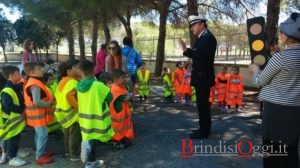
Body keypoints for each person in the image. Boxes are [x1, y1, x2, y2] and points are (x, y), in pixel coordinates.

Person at [249, 12, 300, 168]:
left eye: (281, 32)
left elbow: (261, 81)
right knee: (291, 150)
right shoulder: (283, 57)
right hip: (296, 110)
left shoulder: (281, 58)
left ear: (285, 35)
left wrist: (256, 70)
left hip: (277, 112)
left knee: (273, 154)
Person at [178, 15, 217, 139]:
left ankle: (204, 131)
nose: (192, 29)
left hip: (203, 77)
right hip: (200, 77)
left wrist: (185, 49)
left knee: (203, 105)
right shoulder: (202, 38)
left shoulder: (208, 38)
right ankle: (203, 128)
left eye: (193, 25)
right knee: (201, 105)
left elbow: (202, 55)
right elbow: (197, 55)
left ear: (201, 24)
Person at [77, 60, 114, 168]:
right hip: (98, 119)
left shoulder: (79, 85)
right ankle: (88, 146)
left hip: (84, 119)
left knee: (89, 138)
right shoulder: (97, 85)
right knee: (99, 138)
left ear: (80, 72)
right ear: (94, 71)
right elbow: (110, 97)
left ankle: (91, 163)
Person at [23, 62, 55, 165]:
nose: (42, 70)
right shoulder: (34, 85)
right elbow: (37, 102)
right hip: (38, 116)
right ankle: (39, 156)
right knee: (42, 135)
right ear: (32, 72)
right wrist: (49, 104)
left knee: (39, 134)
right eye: (40, 69)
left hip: (37, 116)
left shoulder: (35, 82)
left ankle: (41, 151)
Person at [55, 59, 82, 162]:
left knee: (67, 133)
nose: (78, 69)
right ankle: (74, 155)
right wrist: (78, 107)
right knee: (75, 134)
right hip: (72, 113)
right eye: (75, 67)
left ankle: (67, 152)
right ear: (69, 71)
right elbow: (69, 96)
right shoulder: (73, 82)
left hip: (62, 112)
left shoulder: (62, 81)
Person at [0, 66, 27, 166]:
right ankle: (12, 158)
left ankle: (11, 155)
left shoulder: (12, 86)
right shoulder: (7, 90)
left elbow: (18, 87)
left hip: (14, 121)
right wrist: (22, 109)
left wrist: (21, 83)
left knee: (14, 138)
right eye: (18, 73)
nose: (19, 75)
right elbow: (8, 105)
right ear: (11, 75)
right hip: (10, 121)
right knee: (12, 139)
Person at [109, 69, 134, 149]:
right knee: (118, 127)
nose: (125, 79)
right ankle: (117, 141)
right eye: (122, 78)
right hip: (118, 114)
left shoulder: (120, 86)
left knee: (122, 127)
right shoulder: (116, 88)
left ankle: (122, 138)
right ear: (115, 79)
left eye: (125, 77)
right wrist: (130, 96)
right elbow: (125, 98)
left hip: (122, 113)